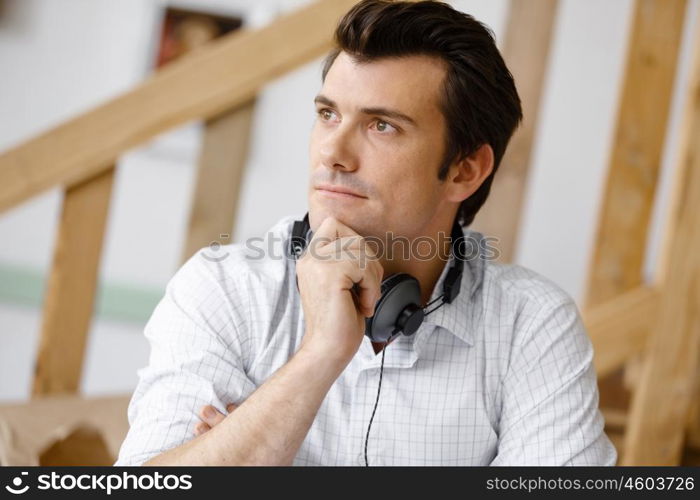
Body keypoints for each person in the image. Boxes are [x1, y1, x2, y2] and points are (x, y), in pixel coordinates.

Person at [114, 0, 617, 466]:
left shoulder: (533, 326)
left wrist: (246, 447)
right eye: (328, 114)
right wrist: (320, 354)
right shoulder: (222, 287)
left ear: (465, 170)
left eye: (382, 126)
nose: (332, 152)